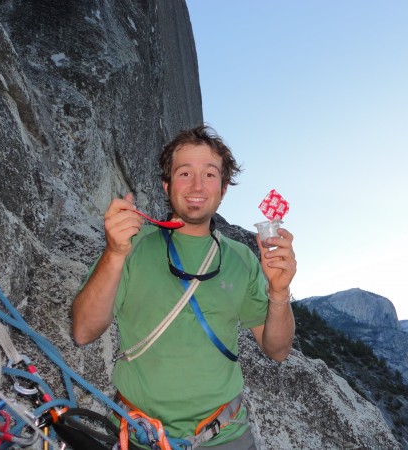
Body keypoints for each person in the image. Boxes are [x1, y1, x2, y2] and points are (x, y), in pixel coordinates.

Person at [72, 125, 296, 449]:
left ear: (223, 188)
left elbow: (278, 350)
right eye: (184, 173)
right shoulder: (130, 246)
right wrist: (115, 253)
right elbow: (82, 331)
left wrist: (279, 291)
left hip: (225, 437)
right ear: (166, 186)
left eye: (209, 174)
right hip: (139, 437)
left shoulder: (242, 259)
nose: (196, 185)